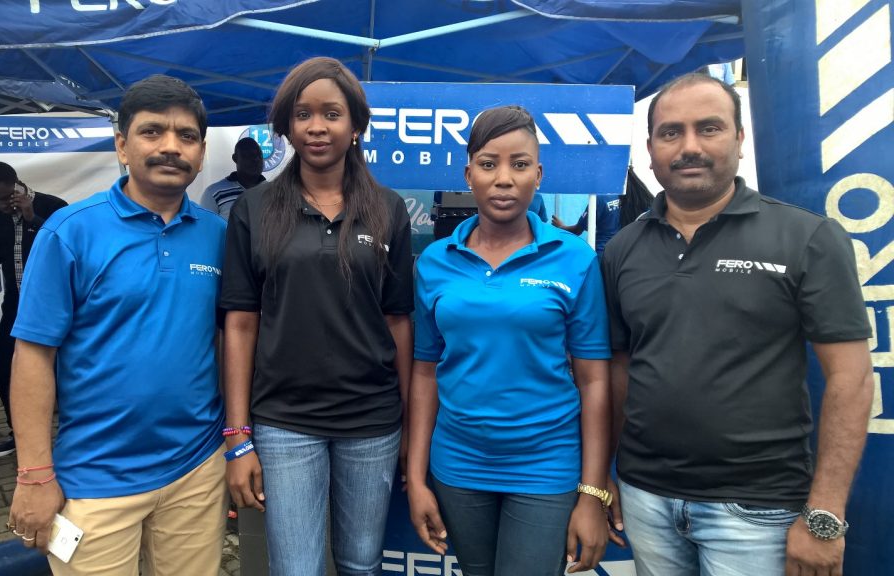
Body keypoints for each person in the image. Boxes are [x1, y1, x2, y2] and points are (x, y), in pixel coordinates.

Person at [602, 72, 874, 576]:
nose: (688, 147)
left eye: (709, 128)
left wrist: (825, 516)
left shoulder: (807, 238)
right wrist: (605, 478)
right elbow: (618, 371)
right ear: (650, 148)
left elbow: (852, 379)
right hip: (646, 498)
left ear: (739, 139)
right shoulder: (622, 250)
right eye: (670, 132)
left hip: (758, 509)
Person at [6, 75, 229, 576]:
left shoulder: (219, 236)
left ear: (200, 150)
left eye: (186, 135)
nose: (171, 146)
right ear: (122, 147)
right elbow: (34, 354)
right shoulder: (70, 233)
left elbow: (225, 340)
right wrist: (35, 474)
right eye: (153, 132)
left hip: (196, 469)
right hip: (94, 480)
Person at [220, 56, 414, 576]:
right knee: (296, 568)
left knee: (360, 564)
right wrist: (237, 436)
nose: (316, 126)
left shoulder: (388, 208)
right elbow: (240, 322)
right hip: (285, 422)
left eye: (331, 113)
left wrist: (411, 421)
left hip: (372, 421)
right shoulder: (254, 209)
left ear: (355, 126)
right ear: (286, 126)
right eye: (303, 114)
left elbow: (398, 320)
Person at [406, 105, 614, 576]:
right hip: (457, 465)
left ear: (538, 174)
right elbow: (424, 373)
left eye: (519, 165)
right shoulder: (436, 261)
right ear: (468, 174)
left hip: (545, 464)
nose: (504, 178)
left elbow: (594, 381)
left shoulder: (573, 258)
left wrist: (593, 491)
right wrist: (416, 477)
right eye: (488, 164)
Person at [0, 161, 67, 458]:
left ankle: (75, 433)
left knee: (68, 369)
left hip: (58, 302)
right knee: (6, 370)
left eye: (3, 198)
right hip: (16, 304)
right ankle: (18, 433)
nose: (0, 205)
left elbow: (71, 247)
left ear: (16, 185)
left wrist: (32, 217)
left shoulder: (52, 206)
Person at [553, 167, 654, 256]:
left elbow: (577, 230)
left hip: (605, 256)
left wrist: (561, 227)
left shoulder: (601, 199)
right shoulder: (641, 197)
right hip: (629, 255)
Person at [199, 136, 266, 220]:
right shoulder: (214, 193)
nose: (255, 159)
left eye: (259, 155)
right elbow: (206, 229)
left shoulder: (273, 192)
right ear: (235, 158)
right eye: (248, 155)